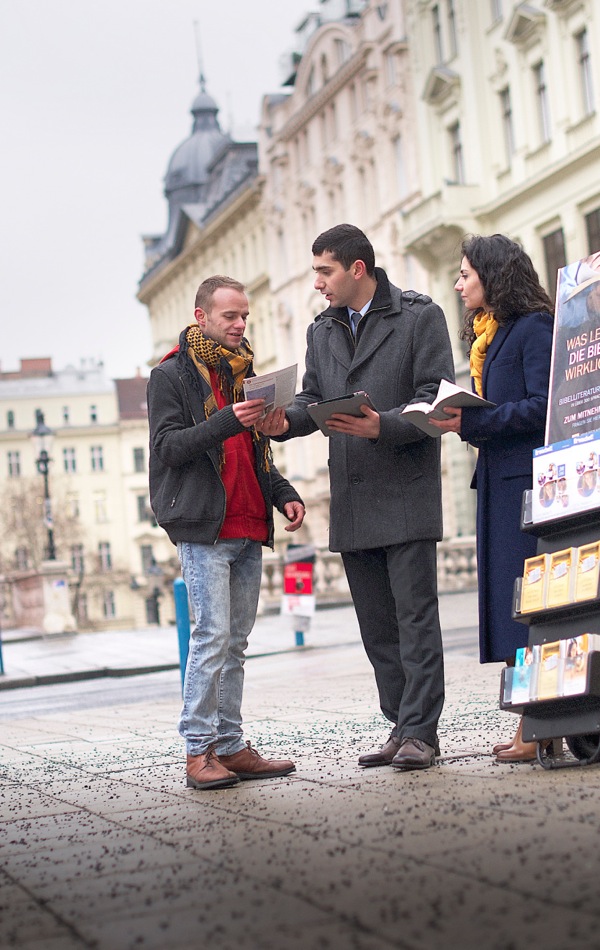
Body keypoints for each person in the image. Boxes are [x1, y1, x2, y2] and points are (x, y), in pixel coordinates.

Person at [259, 223, 455, 771]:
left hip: (406, 491)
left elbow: (436, 398)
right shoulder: (321, 330)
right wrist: (282, 423)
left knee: (416, 618)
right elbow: (314, 399)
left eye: (324, 271)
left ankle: (421, 732)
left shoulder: (420, 316)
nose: (317, 283)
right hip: (351, 494)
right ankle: (399, 723)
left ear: (357, 269)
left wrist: (383, 426)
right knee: (376, 624)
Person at [147, 275, 306, 790]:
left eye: (244, 317)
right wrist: (227, 420)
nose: (240, 325)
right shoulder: (170, 375)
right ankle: (198, 751)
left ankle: (232, 747)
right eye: (230, 317)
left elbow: (258, 451)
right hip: (204, 528)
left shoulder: (246, 372)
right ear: (202, 318)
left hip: (248, 522)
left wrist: (283, 493)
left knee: (236, 643)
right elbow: (169, 447)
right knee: (211, 639)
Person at [430, 234, 554, 762]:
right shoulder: (491, 334)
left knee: (530, 607)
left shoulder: (534, 328)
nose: (458, 285)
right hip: (498, 483)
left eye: (465, 275)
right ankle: (529, 720)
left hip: (526, 487)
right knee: (511, 607)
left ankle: (538, 723)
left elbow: (542, 406)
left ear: (493, 275)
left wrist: (476, 418)